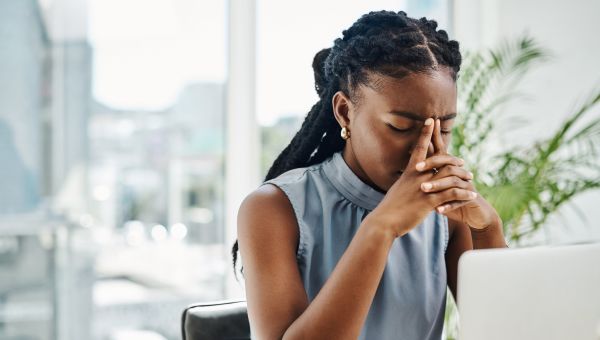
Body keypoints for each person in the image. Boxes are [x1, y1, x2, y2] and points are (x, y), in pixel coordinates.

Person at [232, 10, 507, 340]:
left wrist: (488, 228)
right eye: (400, 127)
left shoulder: (446, 215)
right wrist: (381, 227)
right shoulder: (274, 209)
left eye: (444, 128)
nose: (429, 148)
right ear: (345, 112)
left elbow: (505, 331)